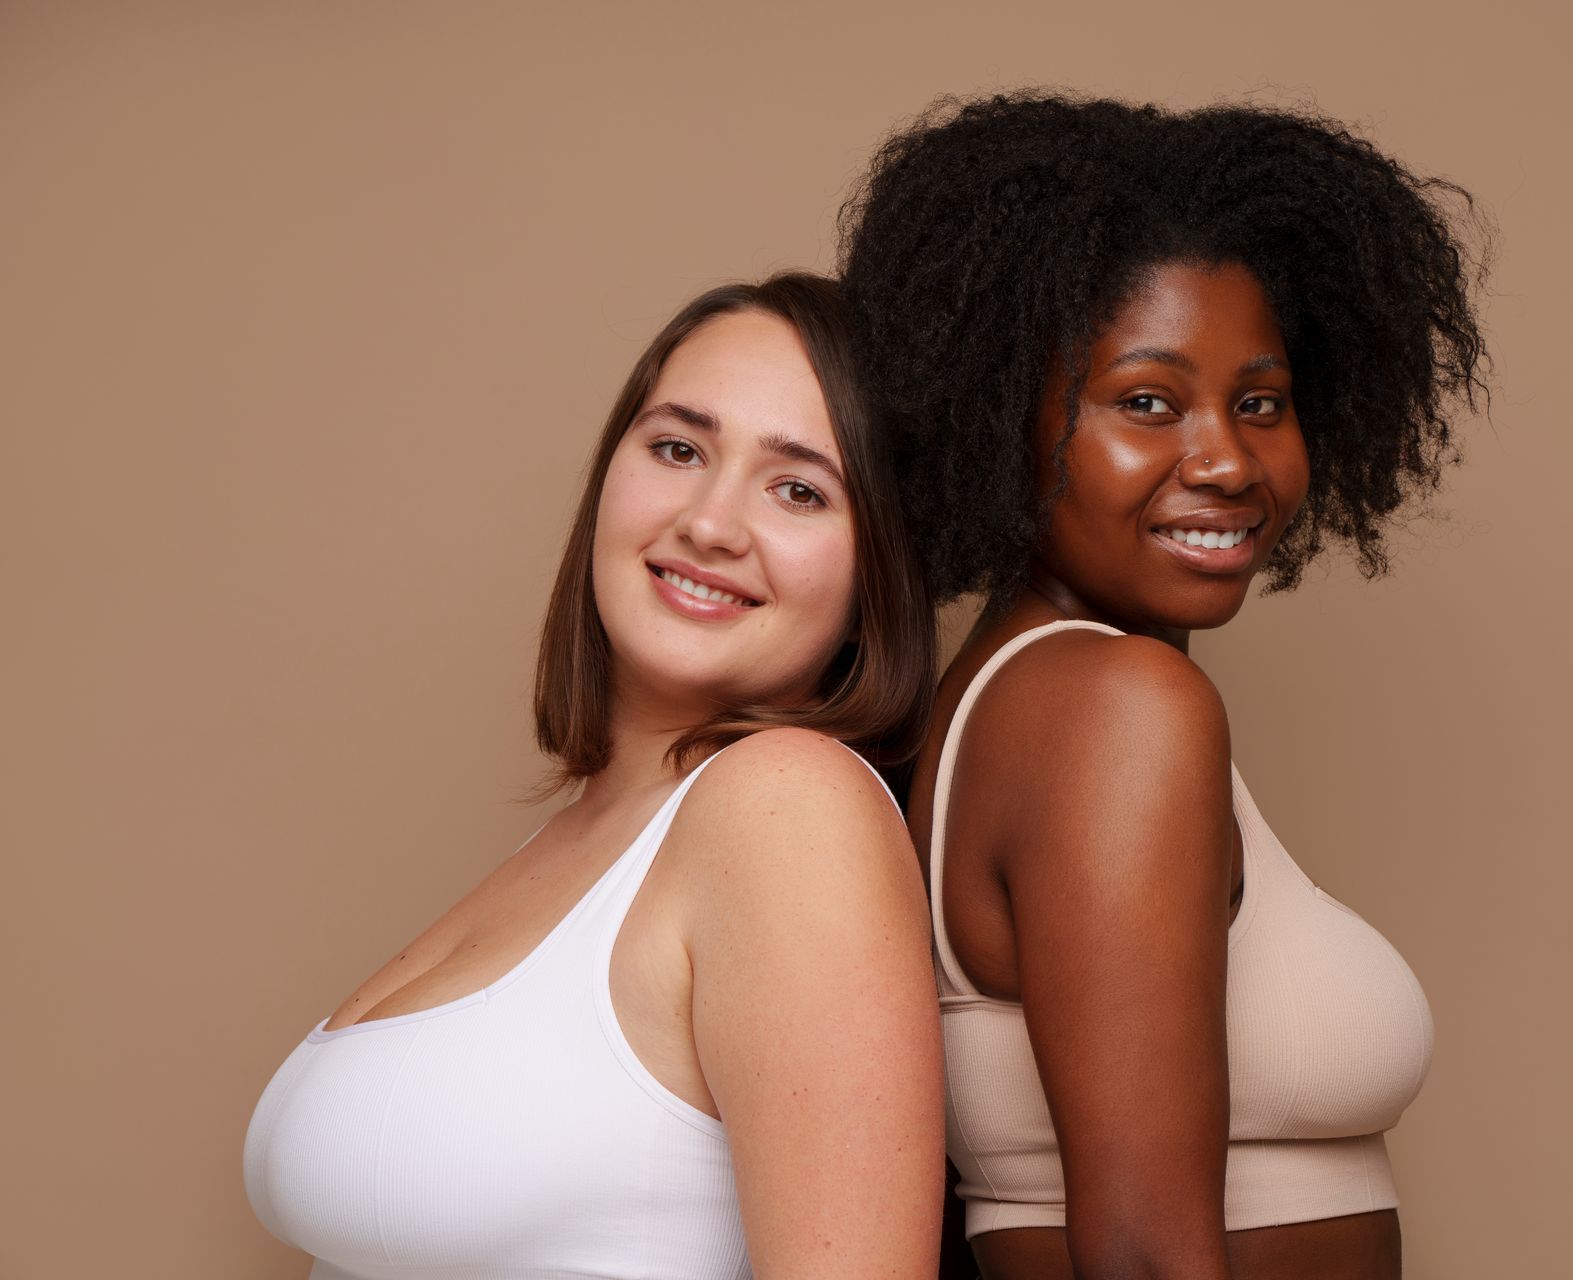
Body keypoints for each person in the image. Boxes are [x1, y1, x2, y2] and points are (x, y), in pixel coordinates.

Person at [839, 95, 1490, 1279]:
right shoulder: (1113, 707)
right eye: (1147, 401)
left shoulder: (1017, 691)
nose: (1228, 459)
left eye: (1260, 402)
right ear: (1002, 419)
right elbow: (1142, 1251)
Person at [243, 272, 946, 1279]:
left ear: (880, 576)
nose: (710, 521)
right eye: (677, 448)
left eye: (799, 487)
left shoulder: (788, 807)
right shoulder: (593, 830)